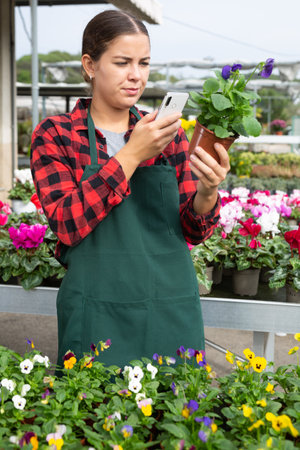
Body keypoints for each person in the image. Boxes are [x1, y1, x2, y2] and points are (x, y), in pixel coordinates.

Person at [30, 10, 230, 370]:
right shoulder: (56, 134)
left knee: (171, 420)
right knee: (92, 415)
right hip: (94, 308)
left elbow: (194, 229)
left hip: (168, 305)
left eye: (144, 63)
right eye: (122, 62)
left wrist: (208, 191)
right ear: (90, 65)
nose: (136, 75)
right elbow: (66, 223)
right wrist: (132, 154)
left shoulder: (168, 135)